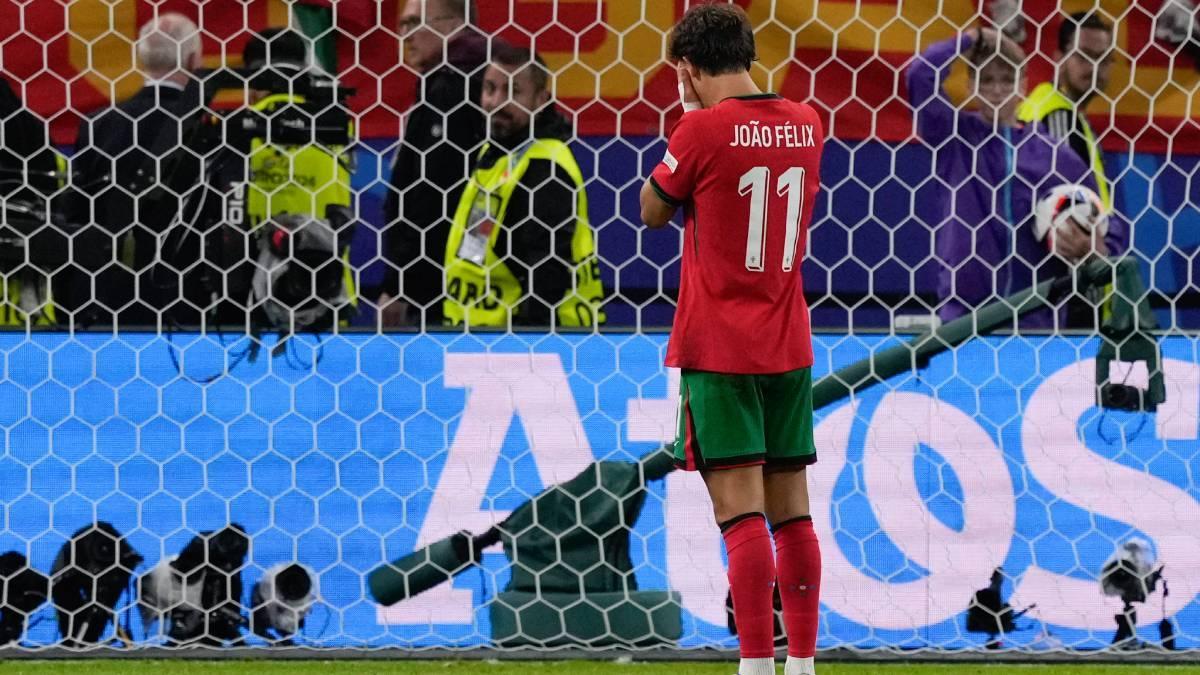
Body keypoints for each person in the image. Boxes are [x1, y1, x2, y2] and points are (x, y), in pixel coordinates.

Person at [639, 5, 823, 675]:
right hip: (787, 337)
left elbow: (653, 211)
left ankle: (751, 665)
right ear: (747, 54)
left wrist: (685, 119)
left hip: (719, 345)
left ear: (686, 68)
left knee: (739, 511)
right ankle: (801, 662)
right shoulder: (808, 122)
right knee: (792, 510)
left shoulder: (699, 130)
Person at [906, 27, 1129, 329]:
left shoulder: (1054, 154)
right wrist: (975, 37)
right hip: (963, 320)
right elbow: (920, 74)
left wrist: (1095, 248)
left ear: (1023, 85)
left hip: (1038, 325)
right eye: (986, 80)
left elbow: (1108, 222)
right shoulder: (954, 138)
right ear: (970, 85)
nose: (997, 90)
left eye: (1007, 79)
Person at [441, 44, 605, 329]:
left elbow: (547, 271)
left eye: (513, 92)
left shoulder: (545, 168)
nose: (495, 102)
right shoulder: (494, 153)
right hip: (481, 334)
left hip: (532, 342)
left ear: (540, 100)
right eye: (490, 88)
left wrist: (529, 344)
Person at [70, 13, 202, 327]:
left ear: (141, 58)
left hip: (105, 293)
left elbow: (78, 210)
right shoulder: (206, 127)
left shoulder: (99, 124)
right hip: (184, 293)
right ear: (194, 59)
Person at [378, 0, 488, 328]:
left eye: (413, 24)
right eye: (401, 26)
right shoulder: (476, 75)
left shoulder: (451, 83)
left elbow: (430, 193)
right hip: (475, 271)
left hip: (440, 277)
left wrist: (399, 284)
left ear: (453, 24)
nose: (405, 36)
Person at [1017, 11, 1115, 209]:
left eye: (1104, 58)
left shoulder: (1050, 104)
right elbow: (1068, 203)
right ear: (1060, 59)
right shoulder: (1059, 115)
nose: (1095, 67)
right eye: (1085, 56)